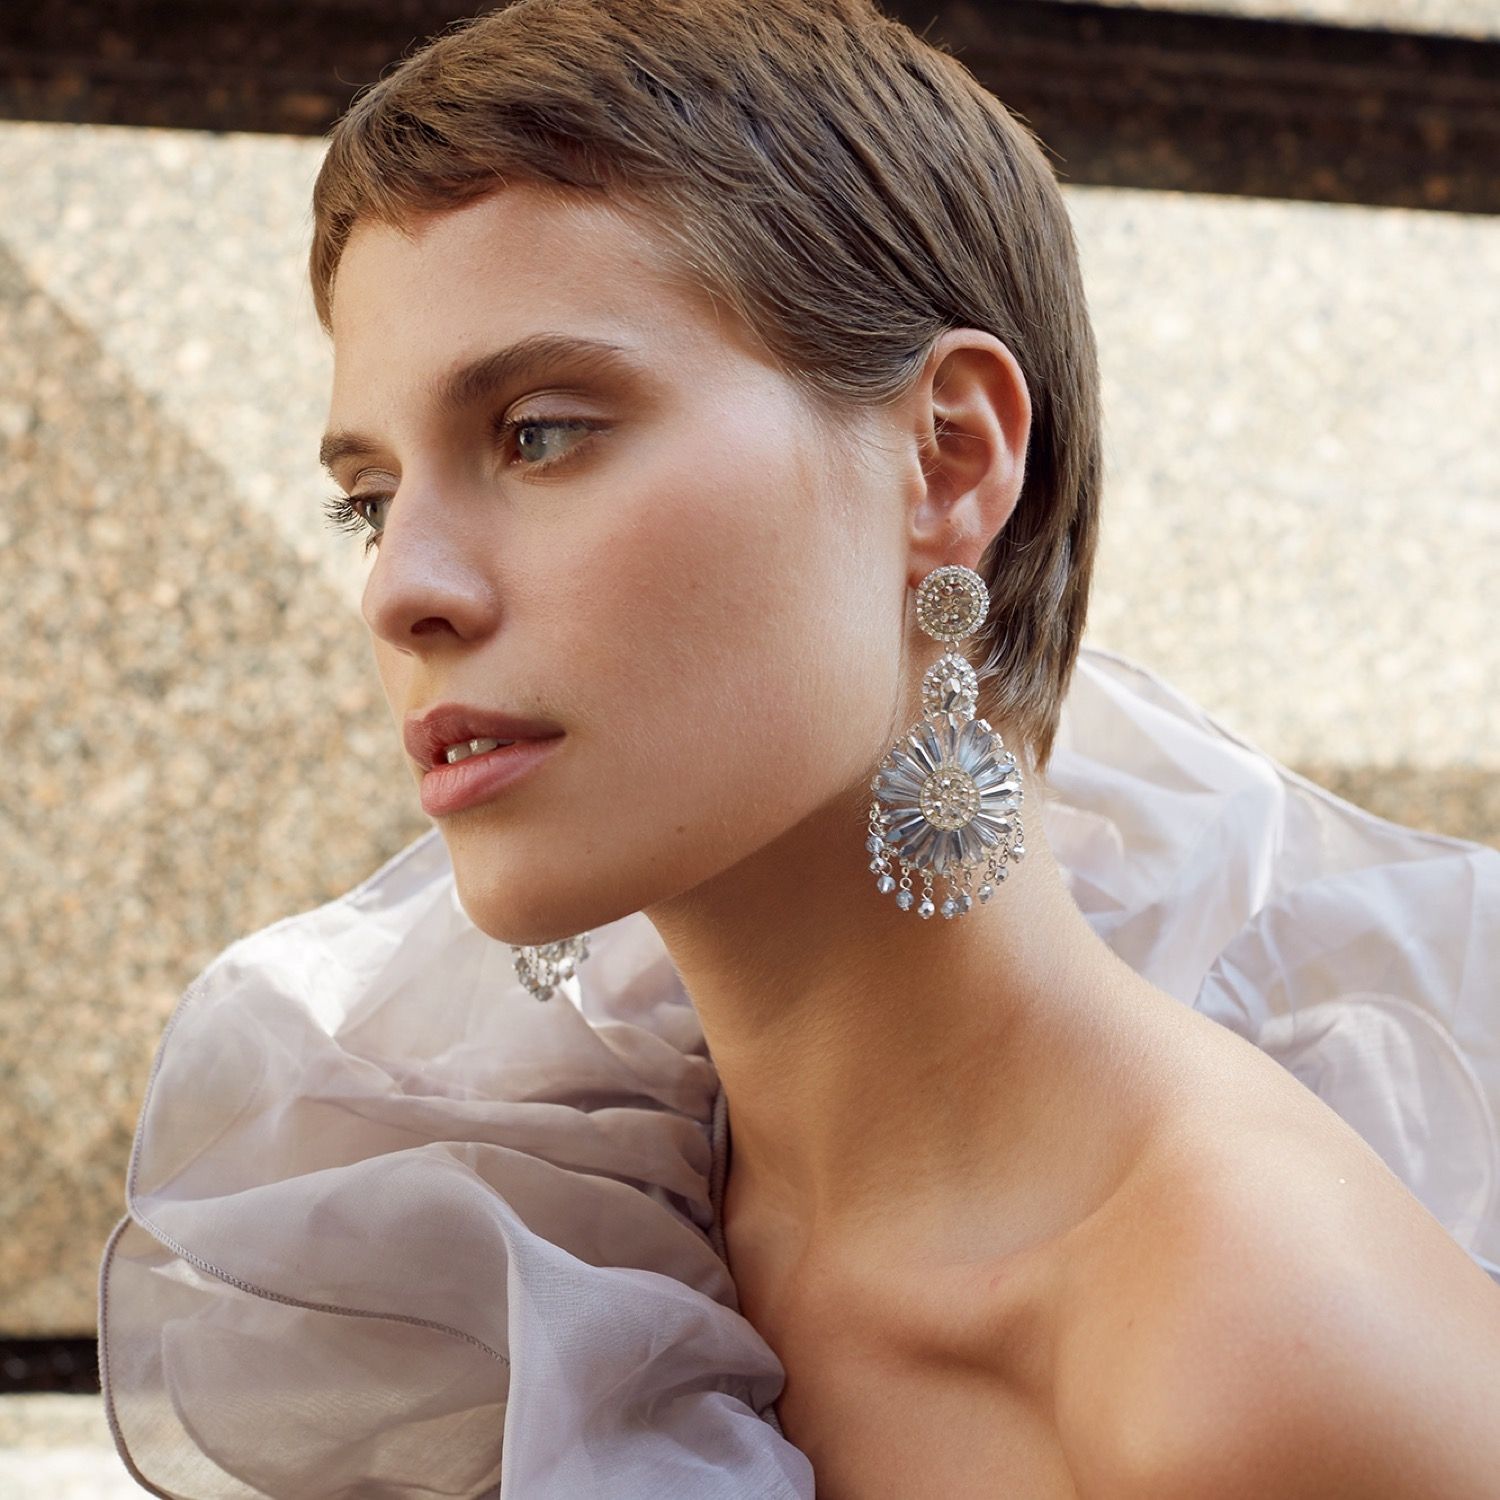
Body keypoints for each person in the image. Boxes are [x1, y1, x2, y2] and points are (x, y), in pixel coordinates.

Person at [98, 1, 1500, 1495]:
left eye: (541, 432)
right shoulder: (566, 1196)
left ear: (946, 460)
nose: (401, 590)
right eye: (368, 501)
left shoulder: (1256, 1357)